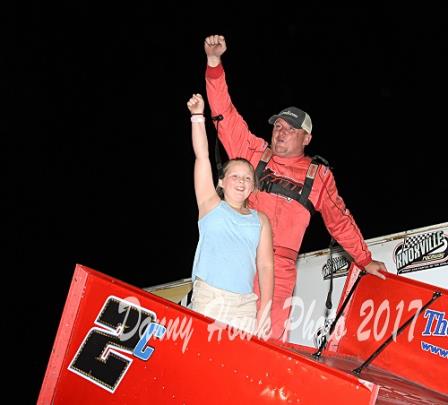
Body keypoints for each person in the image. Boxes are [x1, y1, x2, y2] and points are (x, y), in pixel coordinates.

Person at [203, 34, 388, 341]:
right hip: (237, 256)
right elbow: (225, 115)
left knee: (270, 342)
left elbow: (339, 220)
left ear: (307, 138)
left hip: (279, 268)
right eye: (278, 126)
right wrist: (214, 63)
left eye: (290, 129)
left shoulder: (319, 175)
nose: (281, 132)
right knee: (221, 335)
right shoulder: (254, 152)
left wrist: (365, 259)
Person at [187, 93, 274, 336]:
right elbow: (202, 156)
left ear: (253, 186)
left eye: (248, 178)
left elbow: (266, 266)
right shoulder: (209, 204)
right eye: (235, 176)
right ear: (222, 182)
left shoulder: (261, 221)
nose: (242, 181)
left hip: (244, 306)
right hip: (208, 298)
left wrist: (264, 310)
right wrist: (197, 116)